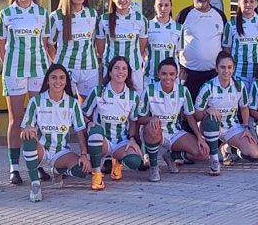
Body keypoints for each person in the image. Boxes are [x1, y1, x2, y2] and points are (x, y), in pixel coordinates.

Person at [0, 0, 52, 185]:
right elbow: (0, 46)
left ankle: (37, 164)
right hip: (15, 72)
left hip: (38, 70)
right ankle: (14, 168)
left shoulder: (42, 14)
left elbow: (46, 44)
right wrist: (10, 63)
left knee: (37, 118)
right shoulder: (6, 14)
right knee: (15, 119)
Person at [21, 64, 91, 202]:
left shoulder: (72, 103)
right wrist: (28, 128)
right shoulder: (36, 101)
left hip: (61, 152)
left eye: (61, 78)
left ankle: (58, 170)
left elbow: (79, 132)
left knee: (82, 170)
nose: (57, 81)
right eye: (53, 78)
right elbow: (25, 127)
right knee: (27, 137)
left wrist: (84, 154)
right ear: (47, 80)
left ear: (66, 82)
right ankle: (35, 184)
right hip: (41, 149)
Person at [137, 58, 209, 182]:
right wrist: (151, 119)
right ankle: (154, 167)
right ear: (158, 74)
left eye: (171, 74)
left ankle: (171, 156)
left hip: (174, 132)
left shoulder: (183, 91)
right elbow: (139, 119)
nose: (167, 77)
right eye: (164, 74)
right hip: (153, 131)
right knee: (154, 127)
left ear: (176, 75)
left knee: (203, 152)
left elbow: (190, 117)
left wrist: (199, 137)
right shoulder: (149, 90)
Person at [82, 56, 144, 191]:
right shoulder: (98, 91)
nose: (120, 71)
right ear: (110, 72)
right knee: (95, 134)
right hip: (102, 140)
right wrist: (88, 124)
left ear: (128, 73)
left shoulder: (133, 95)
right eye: (116, 68)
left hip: (121, 141)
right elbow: (83, 113)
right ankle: (97, 175)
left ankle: (118, 163)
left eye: (124, 68)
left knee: (135, 161)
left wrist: (133, 139)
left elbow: (134, 120)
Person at [195, 51, 258, 176]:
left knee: (254, 154)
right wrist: (207, 111)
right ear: (216, 68)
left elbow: (244, 108)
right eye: (223, 67)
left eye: (229, 67)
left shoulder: (239, 86)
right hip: (211, 126)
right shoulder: (207, 87)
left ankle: (228, 148)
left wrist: (246, 127)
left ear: (234, 68)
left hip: (231, 126)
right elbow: (196, 114)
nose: (226, 71)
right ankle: (214, 162)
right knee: (211, 120)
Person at [47, 0, 100, 101]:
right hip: (66, 68)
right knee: (65, 106)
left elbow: (94, 41)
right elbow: (49, 45)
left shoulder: (92, 14)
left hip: (89, 68)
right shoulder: (56, 16)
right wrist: (58, 64)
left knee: (88, 109)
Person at [176, 0, 228, 101]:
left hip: (213, 74)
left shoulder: (219, 15)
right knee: (187, 112)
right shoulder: (184, 15)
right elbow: (174, 42)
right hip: (188, 74)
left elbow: (226, 45)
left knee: (212, 112)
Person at [95, 0, 148, 92]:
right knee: (111, 100)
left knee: (136, 101)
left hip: (134, 67)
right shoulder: (103, 19)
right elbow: (100, 50)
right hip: (111, 68)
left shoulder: (140, 19)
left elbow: (141, 48)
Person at [223, 0, 258, 90]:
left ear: (255, 4)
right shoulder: (231, 24)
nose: (248, 4)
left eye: (251, 1)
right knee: (241, 103)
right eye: (245, 2)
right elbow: (226, 49)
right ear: (239, 4)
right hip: (238, 72)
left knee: (255, 103)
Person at [144, 0, 183, 89]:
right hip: (151, 76)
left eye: (166, 5)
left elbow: (179, 52)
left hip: (171, 77)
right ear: (154, 7)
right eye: (160, 5)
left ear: (171, 7)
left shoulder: (178, 28)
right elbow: (142, 50)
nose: (163, 8)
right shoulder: (147, 26)